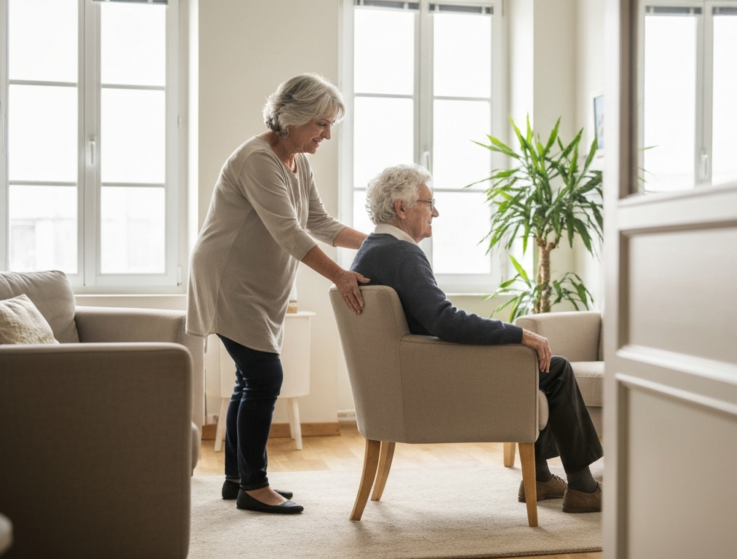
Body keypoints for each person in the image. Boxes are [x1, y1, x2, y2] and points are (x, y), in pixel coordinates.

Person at [350, 164, 604, 513]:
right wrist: (517, 334)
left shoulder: (371, 249)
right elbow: (446, 321)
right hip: (436, 377)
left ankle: (543, 478)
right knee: (554, 367)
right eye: (429, 202)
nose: (435, 211)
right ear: (401, 207)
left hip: (411, 378)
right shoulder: (403, 254)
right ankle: (583, 487)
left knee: (541, 366)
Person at [187, 73, 370, 515]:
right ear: (293, 118)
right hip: (228, 279)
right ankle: (254, 485)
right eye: (321, 124)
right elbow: (289, 232)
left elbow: (319, 222)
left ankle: (237, 479)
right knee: (265, 377)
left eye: (330, 125)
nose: (327, 134)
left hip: (258, 284)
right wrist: (339, 277)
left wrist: (380, 243)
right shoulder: (256, 159)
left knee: (248, 380)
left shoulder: (297, 161)